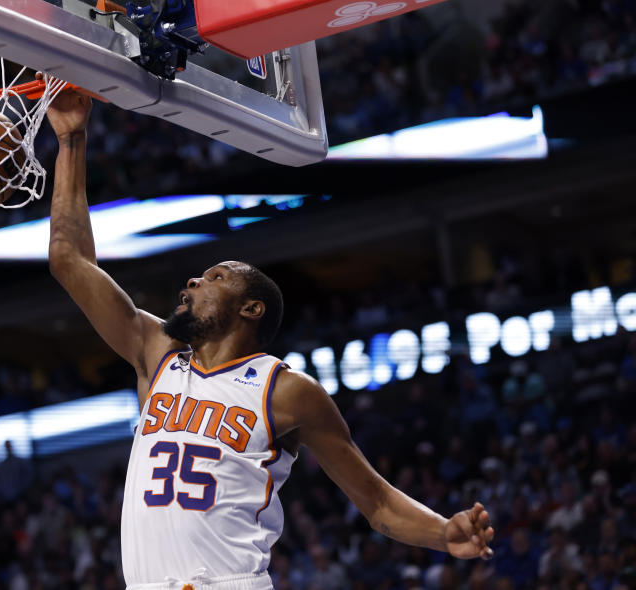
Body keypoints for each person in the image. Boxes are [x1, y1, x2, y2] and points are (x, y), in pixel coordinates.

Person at [43, 88, 495, 590]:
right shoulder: (156, 354)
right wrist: (72, 140)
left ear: (251, 308)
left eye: (213, 277)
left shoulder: (287, 390)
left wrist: (442, 532)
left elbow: (380, 503)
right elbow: (70, 262)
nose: (191, 283)